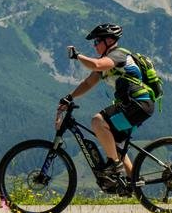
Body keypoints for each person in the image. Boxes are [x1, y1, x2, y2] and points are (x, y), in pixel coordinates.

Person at [59, 23, 155, 194]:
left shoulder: (118, 55)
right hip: (134, 106)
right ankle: (132, 182)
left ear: (109, 40)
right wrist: (70, 97)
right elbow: (88, 82)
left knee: (98, 121)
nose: (94, 45)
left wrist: (78, 56)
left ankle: (114, 166)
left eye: (97, 41)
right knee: (115, 142)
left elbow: (96, 65)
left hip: (138, 104)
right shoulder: (108, 63)